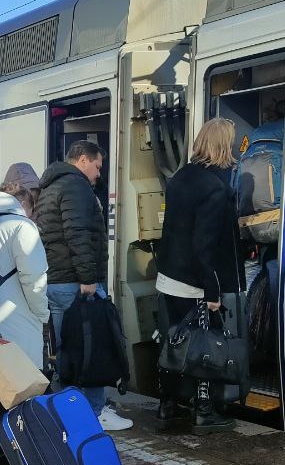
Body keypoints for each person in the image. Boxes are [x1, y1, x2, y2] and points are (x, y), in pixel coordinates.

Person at [35, 141, 133, 432]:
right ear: (82, 160)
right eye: (97, 166)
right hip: (75, 283)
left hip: (59, 280)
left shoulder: (51, 186)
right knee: (92, 348)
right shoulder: (75, 186)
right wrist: (88, 279)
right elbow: (77, 233)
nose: (98, 174)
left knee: (70, 349)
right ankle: (93, 410)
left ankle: (70, 409)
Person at [155, 118, 244, 434]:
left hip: (169, 276)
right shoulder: (215, 187)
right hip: (194, 282)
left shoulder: (181, 177)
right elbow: (203, 247)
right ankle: (204, 411)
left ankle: (166, 405)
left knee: (175, 340)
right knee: (203, 346)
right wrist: (213, 293)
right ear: (223, 145)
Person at [0, 163, 49, 366]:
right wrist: (43, 314)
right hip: (18, 324)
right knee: (22, 387)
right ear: (25, 203)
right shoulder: (22, 226)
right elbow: (35, 280)